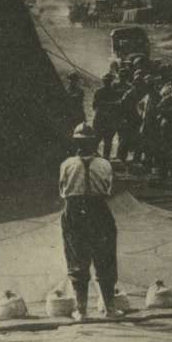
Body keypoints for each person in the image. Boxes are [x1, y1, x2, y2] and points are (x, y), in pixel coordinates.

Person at [58, 123, 118, 320]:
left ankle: (82, 311)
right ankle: (109, 308)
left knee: (77, 258)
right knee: (105, 257)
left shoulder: (67, 164)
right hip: (99, 211)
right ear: (95, 143)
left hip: (74, 212)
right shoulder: (105, 165)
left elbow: (62, 189)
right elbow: (109, 189)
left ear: (76, 143)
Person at [91, 74, 118, 158]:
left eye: (107, 81)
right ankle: (103, 160)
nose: (107, 82)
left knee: (100, 142)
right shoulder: (114, 92)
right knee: (105, 142)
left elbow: (94, 106)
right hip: (105, 121)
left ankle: (98, 159)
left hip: (102, 120)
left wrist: (104, 104)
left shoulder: (99, 91)